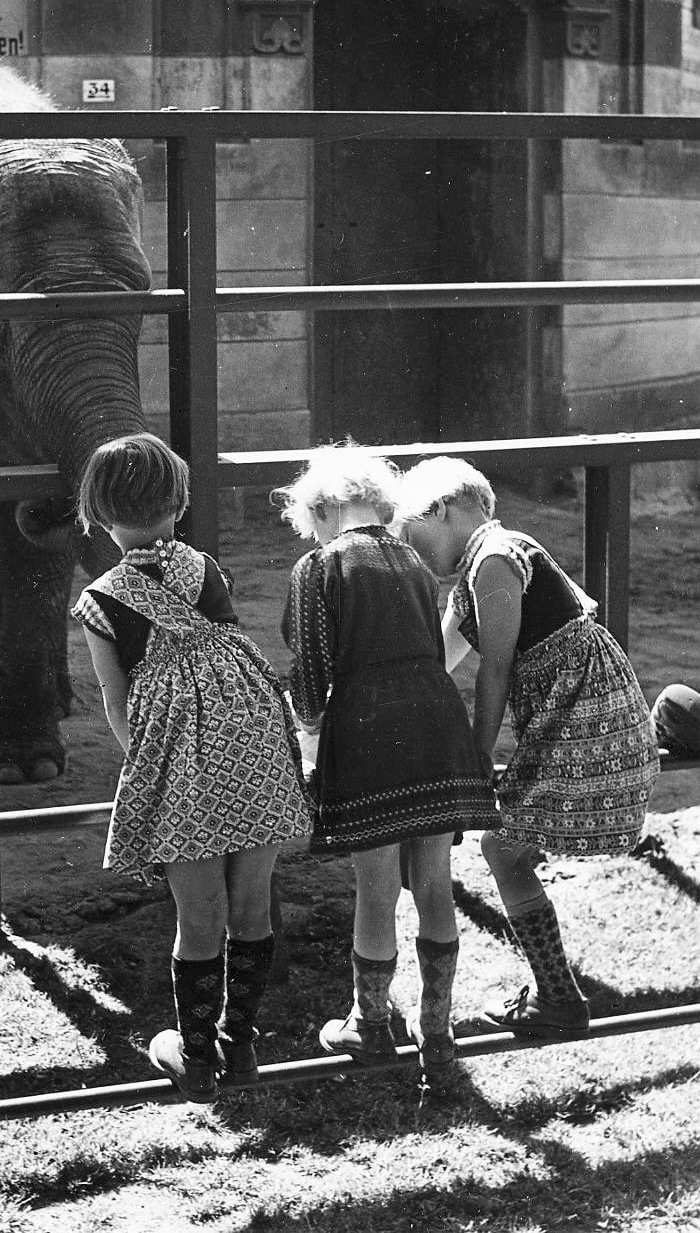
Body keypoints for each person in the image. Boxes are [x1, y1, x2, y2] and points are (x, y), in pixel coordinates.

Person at [71, 433, 313, 1103]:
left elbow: (114, 697)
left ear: (96, 512)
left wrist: (145, 761)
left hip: (181, 765)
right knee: (250, 904)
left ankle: (196, 1055)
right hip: (255, 743)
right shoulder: (206, 568)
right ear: (177, 503)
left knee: (198, 912)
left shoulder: (100, 599)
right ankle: (242, 1043)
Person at [395, 456, 660, 1038]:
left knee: (504, 848)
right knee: (504, 849)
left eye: (412, 536)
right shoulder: (477, 570)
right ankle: (557, 995)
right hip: (569, 720)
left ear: (441, 511)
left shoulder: (494, 559)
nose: (412, 553)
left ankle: (559, 999)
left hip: (589, 725)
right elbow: (438, 665)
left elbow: (492, 672)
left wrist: (469, 761)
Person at [275, 443, 500, 1088]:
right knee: (433, 879)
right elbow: (433, 646)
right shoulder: (415, 562)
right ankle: (439, 1029)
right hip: (436, 724)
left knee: (376, 887)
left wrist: (309, 741)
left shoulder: (320, 568)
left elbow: (312, 675)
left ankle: (370, 1023)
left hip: (369, 733)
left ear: (319, 511)